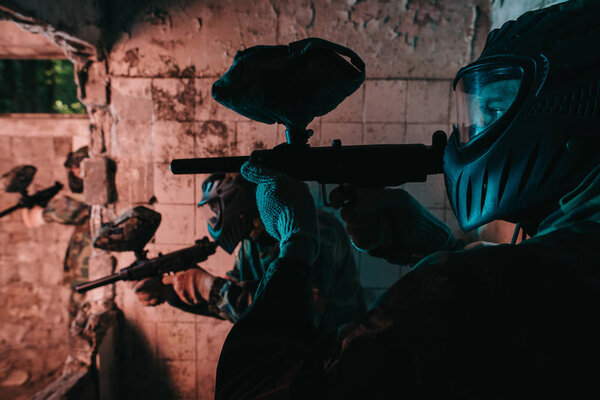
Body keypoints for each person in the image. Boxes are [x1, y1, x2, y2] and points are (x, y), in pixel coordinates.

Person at [214, 1, 600, 398]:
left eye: (495, 108)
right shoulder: (568, 261)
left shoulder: (467, 293)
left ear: (571, 110)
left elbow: (253, 391)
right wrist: (440, 248)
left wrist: (295, 245)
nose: (468, 134)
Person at [133, 173, 366, 333]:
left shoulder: (316, 232)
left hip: (339, 356)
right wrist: (170, 293)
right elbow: (237, 310)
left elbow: (298, 318)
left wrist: (207, 286)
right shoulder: (250, 245)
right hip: (297, 363)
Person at [21, 146, 91, 319]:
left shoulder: (76, 204)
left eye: (80, 167)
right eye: (74, 168)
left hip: (86, 282)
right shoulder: (83, 202)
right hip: (83, 282)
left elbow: (32, 220)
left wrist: (28, 204)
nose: (77, 172)